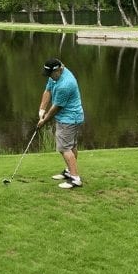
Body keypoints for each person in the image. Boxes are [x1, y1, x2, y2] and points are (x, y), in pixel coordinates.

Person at [37, 57, 84, 189]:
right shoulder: (55, 75)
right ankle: (70, 171)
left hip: (69, 118)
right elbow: (48, 91)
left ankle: (75, 179)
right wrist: (41, 109)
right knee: (71, 146)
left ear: (58, 70)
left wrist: (44, 121)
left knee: (64, 148)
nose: (50, 77)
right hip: (71, 117)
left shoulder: (66, 84)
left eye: (51, 74)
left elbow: (56, 107)